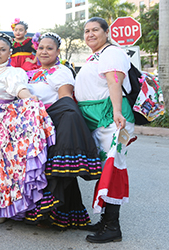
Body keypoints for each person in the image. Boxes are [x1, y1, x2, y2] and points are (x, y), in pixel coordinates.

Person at [23, 32, 102, 230]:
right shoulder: (30, 74)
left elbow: (65, 99)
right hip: (33, 128)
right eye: (41, 48)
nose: (44, 51)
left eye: (49, 48)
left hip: (54, 124)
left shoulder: (62, 71)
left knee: (54, 169)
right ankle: (55, 215)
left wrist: (47, 119)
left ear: (58, 52)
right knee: (39, 170)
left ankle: (55, 213)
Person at [0, 33, 56, 224]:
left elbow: (19, 88)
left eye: (2, 50)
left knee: (1, 165)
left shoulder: (14, 72)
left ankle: (3, 209)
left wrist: (29, 98)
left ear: (9, 53)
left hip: (1, 123)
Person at [74, 17, 136, 243]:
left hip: (111, 117)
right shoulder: (95, 55)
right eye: (86, 30)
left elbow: (114, 83)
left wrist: (117, 112)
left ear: (106, 32)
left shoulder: (112, 52)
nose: (89, 34)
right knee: (104, 170)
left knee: (114, 168)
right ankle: (104, 220)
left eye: (95, 30)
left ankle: (113, 227)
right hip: (97, 119)